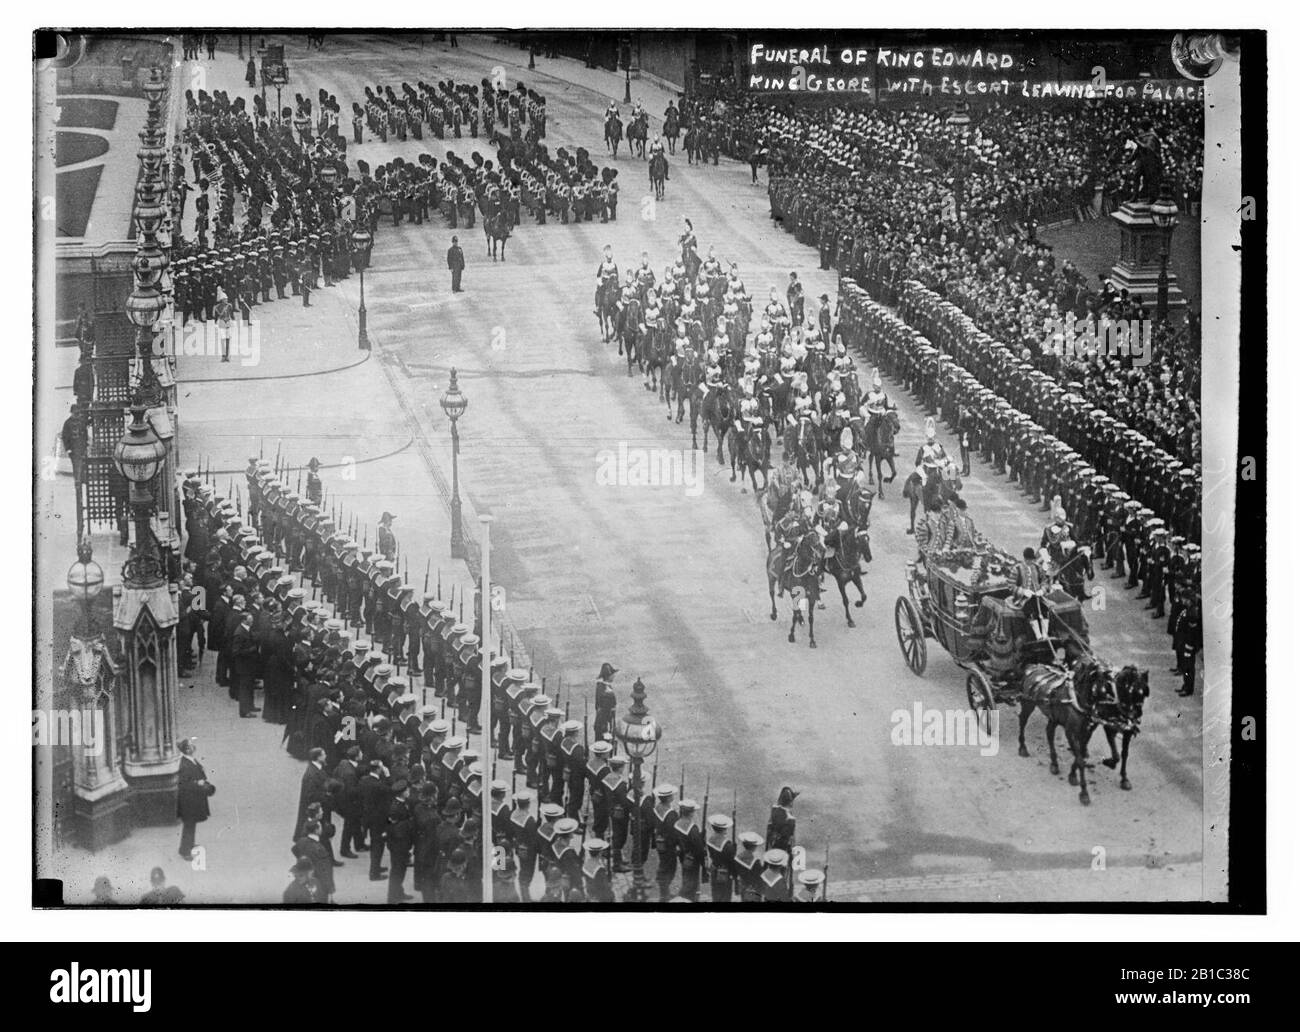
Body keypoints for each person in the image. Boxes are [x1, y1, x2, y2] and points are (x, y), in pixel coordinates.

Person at [177, 738, 214, 860]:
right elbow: (185, 784)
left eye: (192, 746)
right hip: (189, 801)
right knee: (189, 825)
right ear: (186, 750)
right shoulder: (185, 764)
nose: (193, 748)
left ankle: (189, 845)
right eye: (190, 746)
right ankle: (185, 850)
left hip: (193, 799)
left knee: (191, 825)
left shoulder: (190, 760)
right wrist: (198, 783)